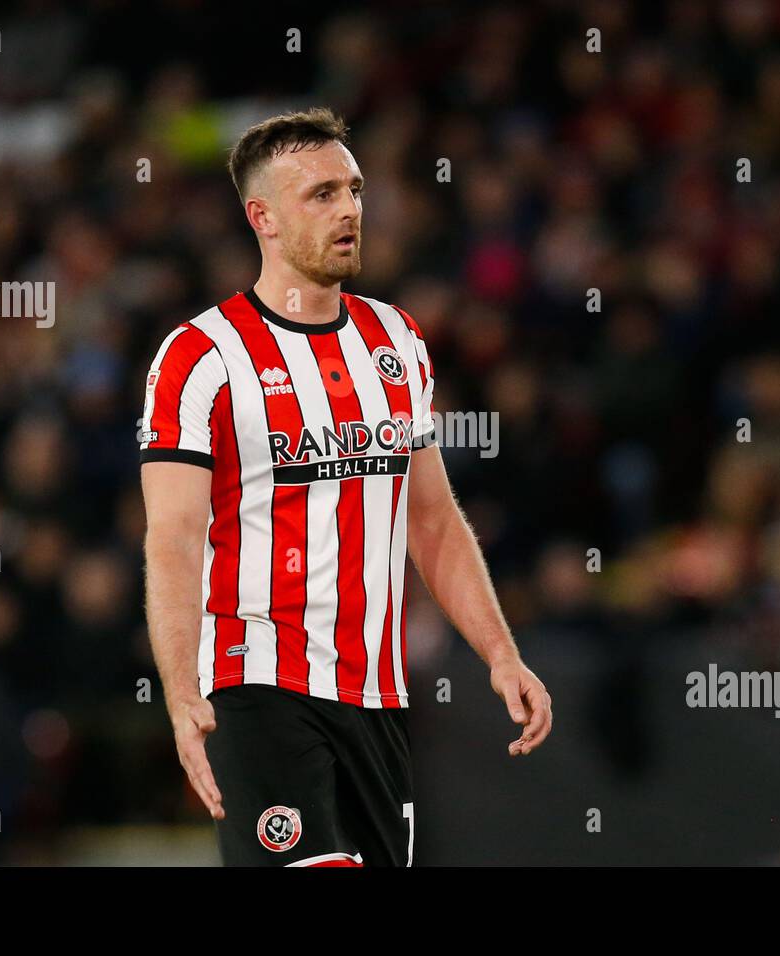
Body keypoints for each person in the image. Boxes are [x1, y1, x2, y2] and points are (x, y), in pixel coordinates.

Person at [138, 107, 552, 866]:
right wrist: (180, 689)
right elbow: (171, 535)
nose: (350, 210)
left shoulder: (396, 340)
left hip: (377, 695)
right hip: (255, 679)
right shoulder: (200, 356)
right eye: (321, 194)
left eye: (354, 190)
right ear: (260, 217)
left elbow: (430, 518)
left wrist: (499, 652)